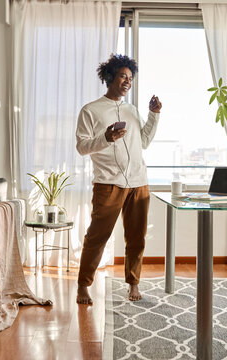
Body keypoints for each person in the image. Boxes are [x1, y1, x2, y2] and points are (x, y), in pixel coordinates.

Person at [75, 54, 162, 304]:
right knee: (97, 237)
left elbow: (143, 141)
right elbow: (82, 147)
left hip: (138, 182)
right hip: (108, 183)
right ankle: (83, 285)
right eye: (123, 76)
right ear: (110, 77)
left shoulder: (131, 110)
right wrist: (106, 138)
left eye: (131, 78)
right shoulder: (91, 110)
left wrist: (153, 114)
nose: (127, 81)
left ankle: (133, 283)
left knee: (137, 237)